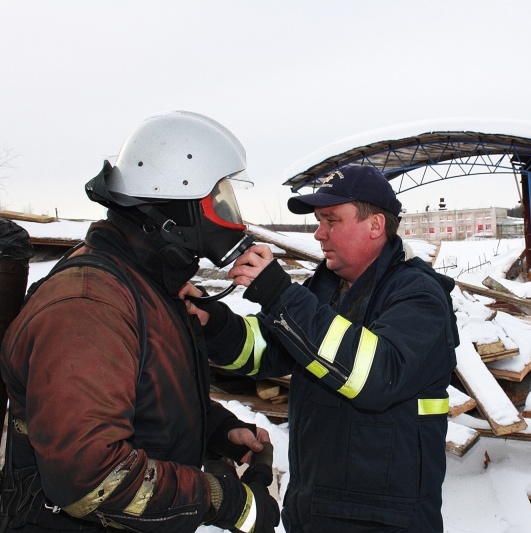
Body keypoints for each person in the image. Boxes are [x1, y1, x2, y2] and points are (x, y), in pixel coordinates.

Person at [0, 111, 280, 532]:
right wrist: (223, 500)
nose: (227, 213)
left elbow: (143, 399)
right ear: (177, 207)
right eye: (217, 198)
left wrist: (217, 430)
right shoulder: (89, 306)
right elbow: (91, 477)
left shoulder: (143, 284)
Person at [183, 164, 459, 532]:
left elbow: (373, 376)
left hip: (384, 522)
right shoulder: (327, 289)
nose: (318, 234)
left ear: (375, 225)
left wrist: (281, 296)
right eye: (318, 221)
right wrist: (212, 321)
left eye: (331, 221)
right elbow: (265, 348)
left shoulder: (419, 296)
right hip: (315, 511)